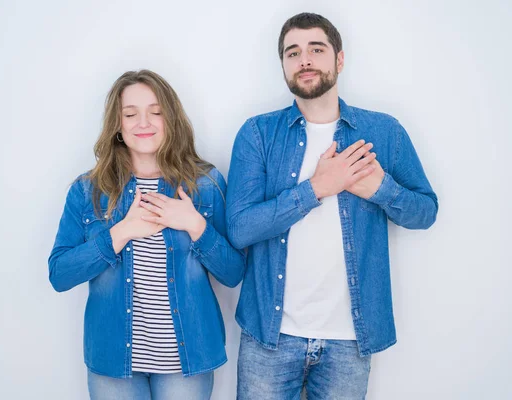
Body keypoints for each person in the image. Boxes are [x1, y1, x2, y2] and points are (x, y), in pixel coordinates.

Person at [226, 13, 438, 399]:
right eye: (293, 53)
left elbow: (426, 212)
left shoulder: (383, 132)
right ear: (284, 66)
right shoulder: (257, 133)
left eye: (316, 49)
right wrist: (316, 189)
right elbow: (240, 228)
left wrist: (381, 189)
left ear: (339, 60)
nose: (304, 60)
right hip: (269, 339)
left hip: (349, 341)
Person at [48, 69, 245, 400]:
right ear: (118, 126)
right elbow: (59, 274)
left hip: (187, 361)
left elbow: (234, 272)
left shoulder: (206, 185)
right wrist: (119, 233)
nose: (144, 123)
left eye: (156, 112)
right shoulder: (88, 191)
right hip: (114, 361)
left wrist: (196, 225)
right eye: (131, 114)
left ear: (171, 120)